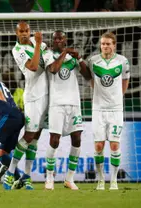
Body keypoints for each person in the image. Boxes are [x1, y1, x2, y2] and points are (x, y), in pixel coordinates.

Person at [43, 30, 92, 190]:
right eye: (55, 39)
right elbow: (54, 70)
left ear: (65, 40)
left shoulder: (72, 58)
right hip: (56, 104)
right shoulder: (48, 55)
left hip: (74, 104)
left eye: (61, 39)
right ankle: (49, 178)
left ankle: (69, 179)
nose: (57, 41)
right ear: (52, 41)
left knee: (77, 139)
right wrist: (65, 52)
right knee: (54, 140)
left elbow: (87, 76)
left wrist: (79, 58)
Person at [6, 21, 49, 190]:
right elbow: (32, 67)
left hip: (46, 95)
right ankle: (10, 174)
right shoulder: (17, 50)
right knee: (29, 135)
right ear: (17, 33)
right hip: (32, 97)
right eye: (21, 31)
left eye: (26, 31)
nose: (24, 34)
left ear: (29, 31)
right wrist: (38, 44)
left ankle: (27, 176)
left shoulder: (43, 45)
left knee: (36, 138)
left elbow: (48, 65)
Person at [87, 32, 130, 190]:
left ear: (114, 45)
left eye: (108, 44)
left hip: (116, 109)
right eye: (103, 44)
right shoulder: (93, 61)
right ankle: (100, 180)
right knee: (98, 145)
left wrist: (118, 97)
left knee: (114, 145)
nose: (105, 46)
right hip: (98, 109)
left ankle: (113, 181)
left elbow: (125, 80)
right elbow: (90, 79)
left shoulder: (123, 61)